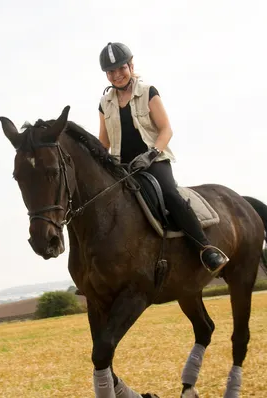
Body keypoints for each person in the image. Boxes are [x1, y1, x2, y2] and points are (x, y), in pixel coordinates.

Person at [97, 41, 229, 275]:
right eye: (111, 72)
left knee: (170, 194)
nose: (117, 75)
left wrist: (152, 154)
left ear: (130, 65)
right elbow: (104, 143)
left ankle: (205, 248)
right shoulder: (104, 103)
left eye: (121, 69)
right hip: (122, 167)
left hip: (153, 161)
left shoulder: (148, 92)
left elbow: (166, 129)